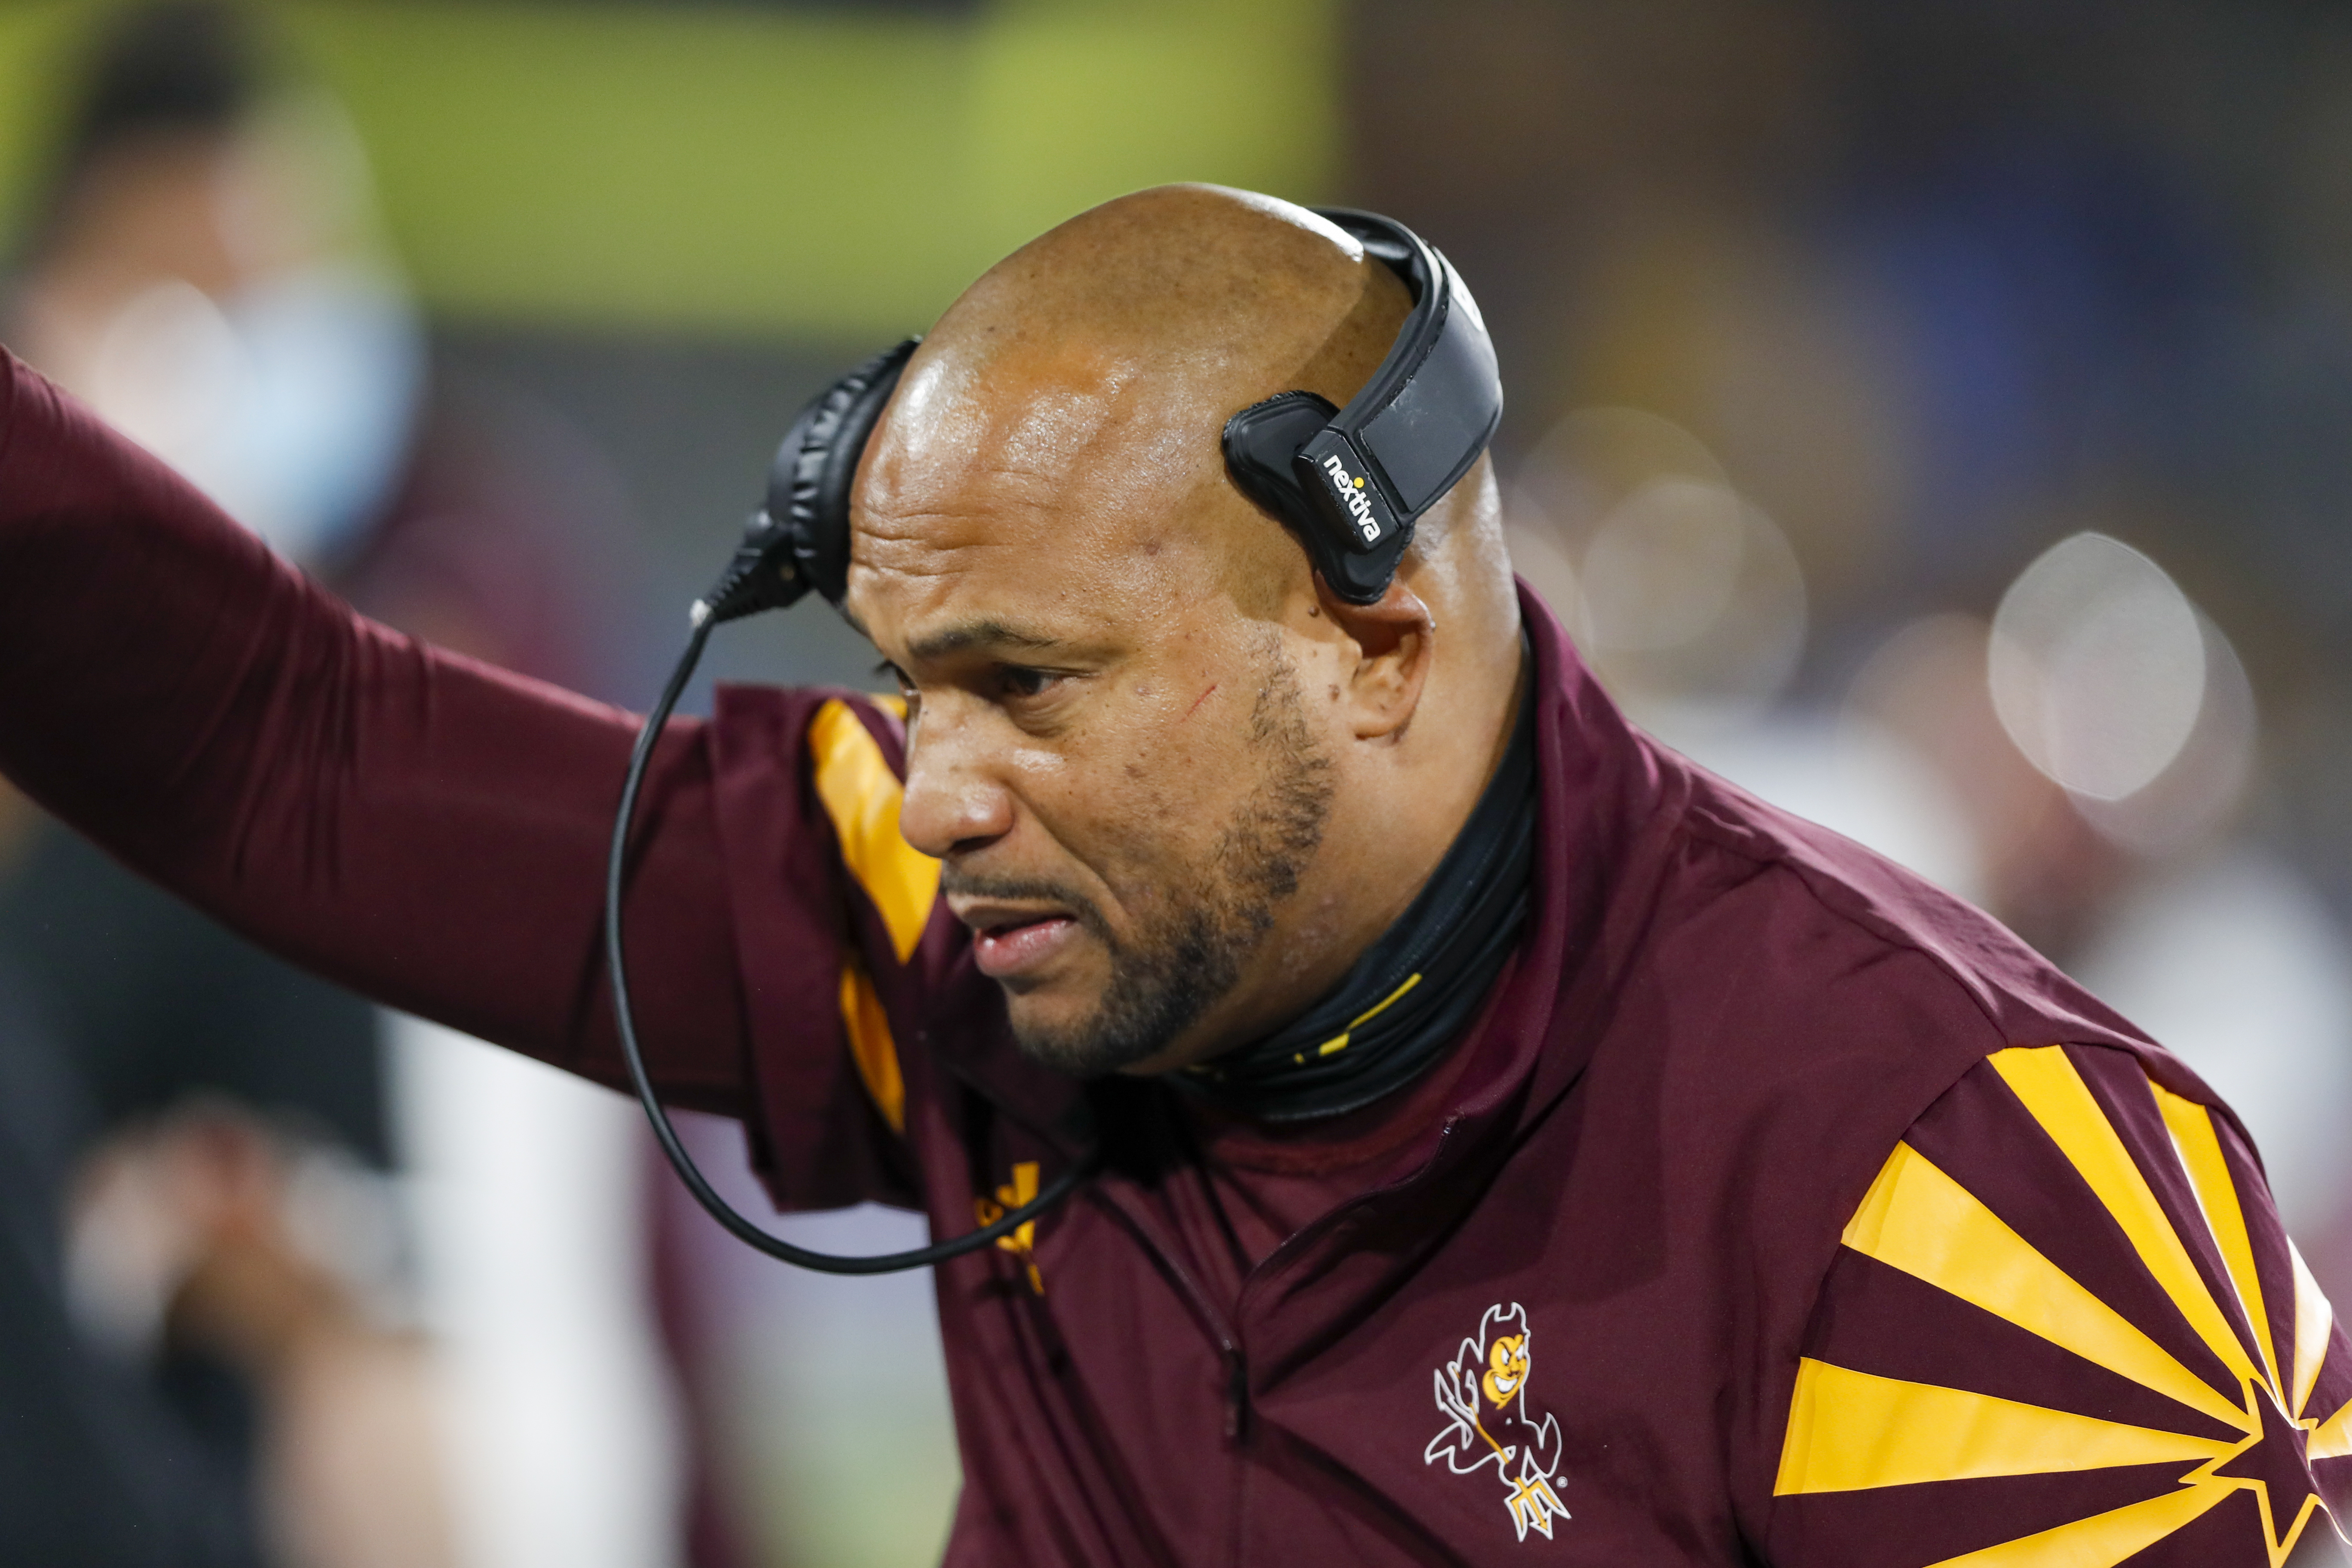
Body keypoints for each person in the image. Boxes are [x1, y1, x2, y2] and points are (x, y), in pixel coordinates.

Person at [0, 184, 2346, 1565]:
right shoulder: (979, 920)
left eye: (1029, 684)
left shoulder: (1980, 1198)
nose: (925, 793)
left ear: (1379, 644)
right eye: (912, 681)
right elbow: (282, 740)